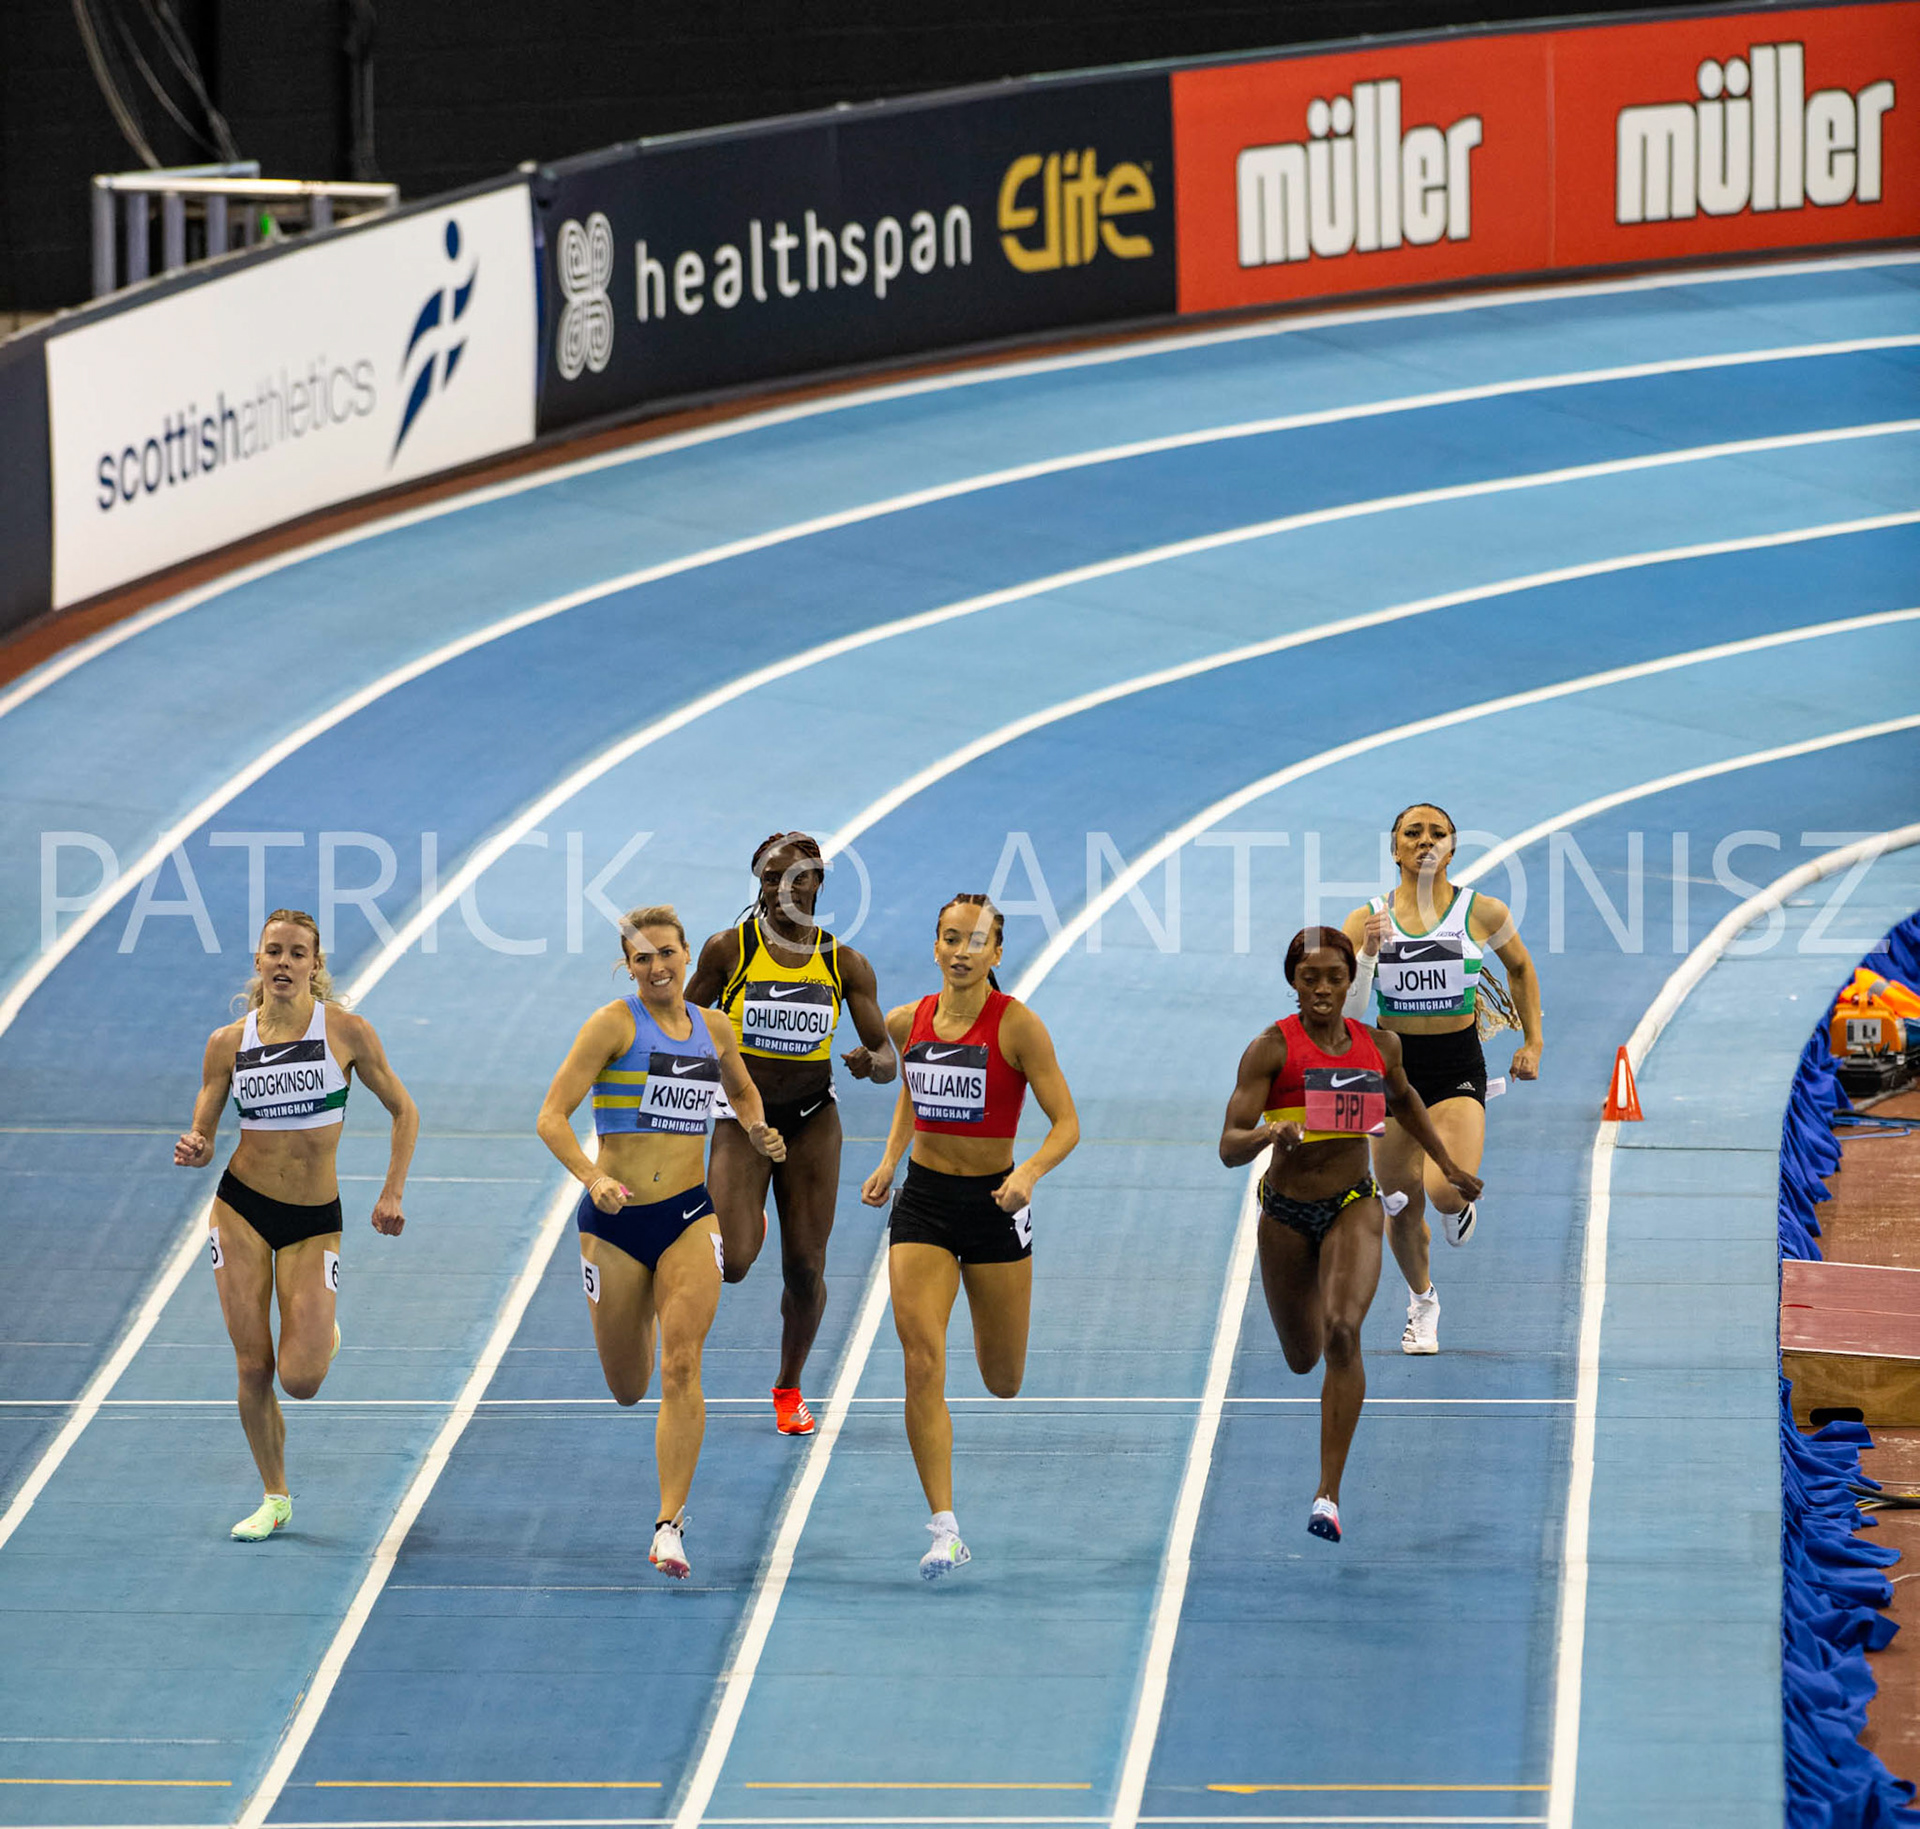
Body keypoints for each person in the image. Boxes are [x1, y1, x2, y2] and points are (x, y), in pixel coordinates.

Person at [537, 904, 785, 1580]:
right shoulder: (613, 1024)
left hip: (687, 1215)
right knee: (628, 1384)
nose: (657, 967)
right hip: (615, 1225)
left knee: (681, 1367)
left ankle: (668, 1523)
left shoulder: (714, 1027)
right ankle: (639, 1299)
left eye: (667, 953)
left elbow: (742, 1090)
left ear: (684, 955)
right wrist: (592, 1177)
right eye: (642, 957)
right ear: (629, 964)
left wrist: (757, 1128)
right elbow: (551, 1116)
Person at [1219, 926, 1482, 1542]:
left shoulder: (1379, 1045)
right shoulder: (1269, 1051)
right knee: (1303, 1355)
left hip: (1353, 1204)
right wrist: (1265, 1136)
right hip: (1284, 1211)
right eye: (1309, 978)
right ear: (1293, 981)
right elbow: (1229, 1146)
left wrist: (1446, 1167)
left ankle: (1327, 1496)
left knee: (1343, 1331)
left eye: (1335, 978)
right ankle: (1324, 1466)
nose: (1322, 990)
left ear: (1350, 981)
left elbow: (1408, 1100)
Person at [174, 909, 418, 1542]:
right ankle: (275, 1495)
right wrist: (198, 1143)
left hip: (314, 1220)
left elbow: (404, 1111)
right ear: (258, 963)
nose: (284, 962)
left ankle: (321, 1330)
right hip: (241, 1208)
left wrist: (392, 1192)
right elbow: (205, 1119)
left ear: (316, 964)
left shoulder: (346, 1032)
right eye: (273, 952)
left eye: (297, 953)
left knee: (300, 1380)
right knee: (253, 1366)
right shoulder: (228, 1042)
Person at [860, 893, 1078, 1580]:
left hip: (994, 1203)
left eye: (974, 941)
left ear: (996, 952)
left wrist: (1030, 1175)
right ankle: (944, 1526)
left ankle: (949, 1516)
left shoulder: (1018, 1027)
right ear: (935, 945)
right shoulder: (909, 1019)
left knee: (1003, 1378)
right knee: (920, 1357)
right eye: (950, 938)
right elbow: (912, 1091)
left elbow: (1066, 1122)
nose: (960, 951)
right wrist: (892, 1159)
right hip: (923, 1202)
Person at [686, 832, 896, 1435]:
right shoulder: (728, 951)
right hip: (743, 1122)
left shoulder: (843, 963)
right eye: (768, 881)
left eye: (792, 878)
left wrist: (869, 1063)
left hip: (811, 1123)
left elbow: (887, 1059)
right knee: (734, 1263)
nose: (778, 891)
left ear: (816, 884)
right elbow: (680, 1024)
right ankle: (751, 1212)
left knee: (804, 1268)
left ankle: (788, 1387)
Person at [1341, 803, 1542, 1355]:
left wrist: (1532, 1041)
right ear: (1395, 848)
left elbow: (1520, 968)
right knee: (1400, 1204)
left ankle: (1459, 1206)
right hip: (1390, 1074)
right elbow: (1349, 1014)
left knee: (1443, 1189)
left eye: (1437, 833)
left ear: (1452, 848)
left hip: (1455, 1069)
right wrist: (1365, 956)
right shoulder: (1365, 921)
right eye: (1413, 833)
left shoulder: (1482, 912)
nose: (1425, 841)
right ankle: (1422, 1302)